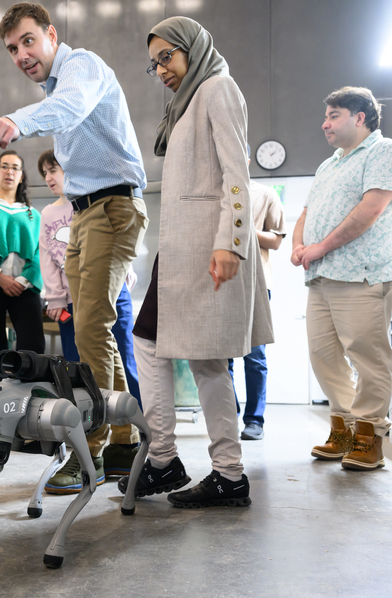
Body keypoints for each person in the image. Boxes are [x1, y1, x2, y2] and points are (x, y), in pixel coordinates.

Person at [0, 3, 148, 491]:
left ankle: (91, 447)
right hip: (85, 210)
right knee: (97, 331)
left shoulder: (81, 66)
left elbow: (70, 106)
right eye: (12, 49)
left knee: (93, 325)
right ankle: (120, 441)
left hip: (112, 206)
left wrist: (15, 120)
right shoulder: (57, 85)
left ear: (52, 35)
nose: (21, 55)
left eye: (29, 41)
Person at [123, 16, 273, 509]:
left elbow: (237, 173)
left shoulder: (216, 88)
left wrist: (230, 242)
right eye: (154, 63)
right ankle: (186, 464)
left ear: (192, 48)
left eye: (167, 56)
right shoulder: (187, 101)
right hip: (186, 249)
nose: (161, 68)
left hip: (209, 247)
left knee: (195, 356)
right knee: (165, 346)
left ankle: (199, 467)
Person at [293, 87, 392, 471]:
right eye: (325, 116)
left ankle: (369, 435)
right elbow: (306, 212)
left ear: (360, 117)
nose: (325, 123)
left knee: (368, 354)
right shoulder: (330, 165)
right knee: (323, 355)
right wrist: (299, 244)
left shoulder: (384, 152)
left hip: (363, 273)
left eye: (334, 115)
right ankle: (343, 429)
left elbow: (370, 209)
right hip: (322, 276)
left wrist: (320, 247)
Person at [37, 147, 142, 418]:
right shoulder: (47, 213)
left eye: (54, 170)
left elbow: (110, 242)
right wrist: (56, 298)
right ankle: (88, 420)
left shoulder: (90, 204)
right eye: (45, 173)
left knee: (124, 357)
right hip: (71, 299)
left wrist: (124, 271)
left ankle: (136, 418)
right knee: (78, 363)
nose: (49, 177)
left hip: (113, 290)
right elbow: (47, 258)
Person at [228, 146, 287, 441]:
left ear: (248, 160)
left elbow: (276, 241)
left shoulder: (265, 194)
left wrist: (244, 231)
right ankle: (229, 413)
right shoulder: (217, 194)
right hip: (220, 282)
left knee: (254, 355)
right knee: (221, 356)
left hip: (256, 282)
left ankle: (254, 420)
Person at [0, 150, 45, 387]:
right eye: (4, 166)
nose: (9, 172)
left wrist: (23, 281)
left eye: (15, 167)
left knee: (33, 346)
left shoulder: (32, 214)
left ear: (22, 175)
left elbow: (38, 252)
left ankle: (29, 401)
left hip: (24, 287)